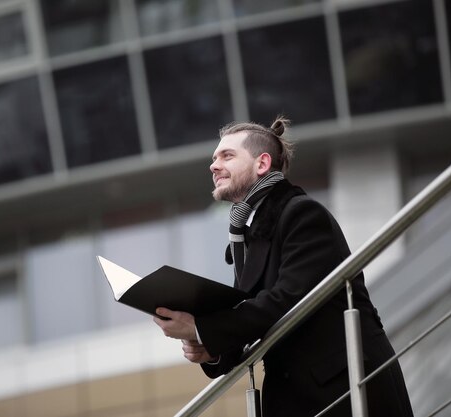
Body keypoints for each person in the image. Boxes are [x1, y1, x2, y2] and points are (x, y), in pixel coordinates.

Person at [153, 117, 413, 416]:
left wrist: (203, 328)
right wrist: (208, 350)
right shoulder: (248, 235)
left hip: (347, 389)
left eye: (227, 156)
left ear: (262, 164)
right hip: (301, 396)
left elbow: (286, 300)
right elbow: (251, 314)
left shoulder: (302, 214)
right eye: (214, 158)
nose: (213, 166)